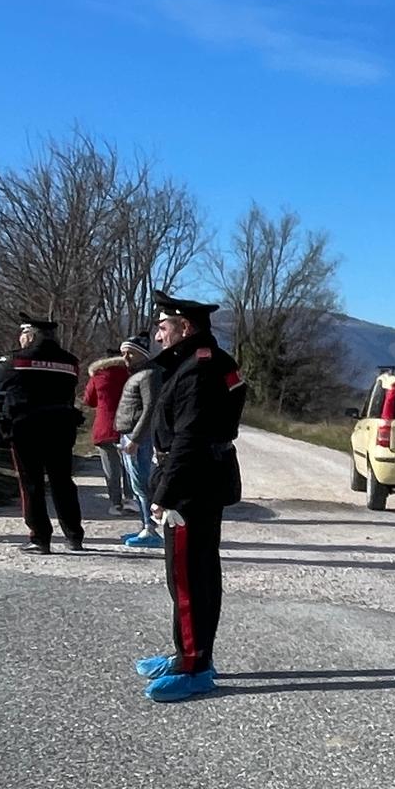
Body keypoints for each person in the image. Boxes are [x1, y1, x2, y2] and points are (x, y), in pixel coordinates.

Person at [132, 290, 245, 704]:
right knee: (194, 575)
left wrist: (164, 493)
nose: (158, 337)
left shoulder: (198, 369)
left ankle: (194, 665)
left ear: (185, 327)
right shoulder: (209, 362)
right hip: (202, 479)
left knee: (188, 578)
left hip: (192, 484)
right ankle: (188, 651)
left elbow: (191, 438)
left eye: (163, 328)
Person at [0, 313, 86, 554]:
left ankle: (40, 537)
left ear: (30, 335)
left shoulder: (18, 359)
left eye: (23, 334)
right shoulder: (70, 361)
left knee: (31, 484)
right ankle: (74, 536)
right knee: (63, 482)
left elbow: (1, 383)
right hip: (61, 427)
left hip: (27, 428)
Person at [113, 336, 162, 550]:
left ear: (142, 354)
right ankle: (144, 525)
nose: (125, 357)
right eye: (123, 352)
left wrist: (136, 438)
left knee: (141, 483)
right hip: (129, 435)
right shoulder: (138, 374)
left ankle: (149, 528)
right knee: (135, 484)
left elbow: (149, 408)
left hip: (137, 437)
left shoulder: (148, 375)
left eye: (130, 353)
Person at [80, 347, 136, 514]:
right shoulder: (130, 373)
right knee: (129, 464)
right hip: (128, 425)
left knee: (110, 467)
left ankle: (115, 503)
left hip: (104, 426)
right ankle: (130, 499)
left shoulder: (97, 375)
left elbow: (89, 400)